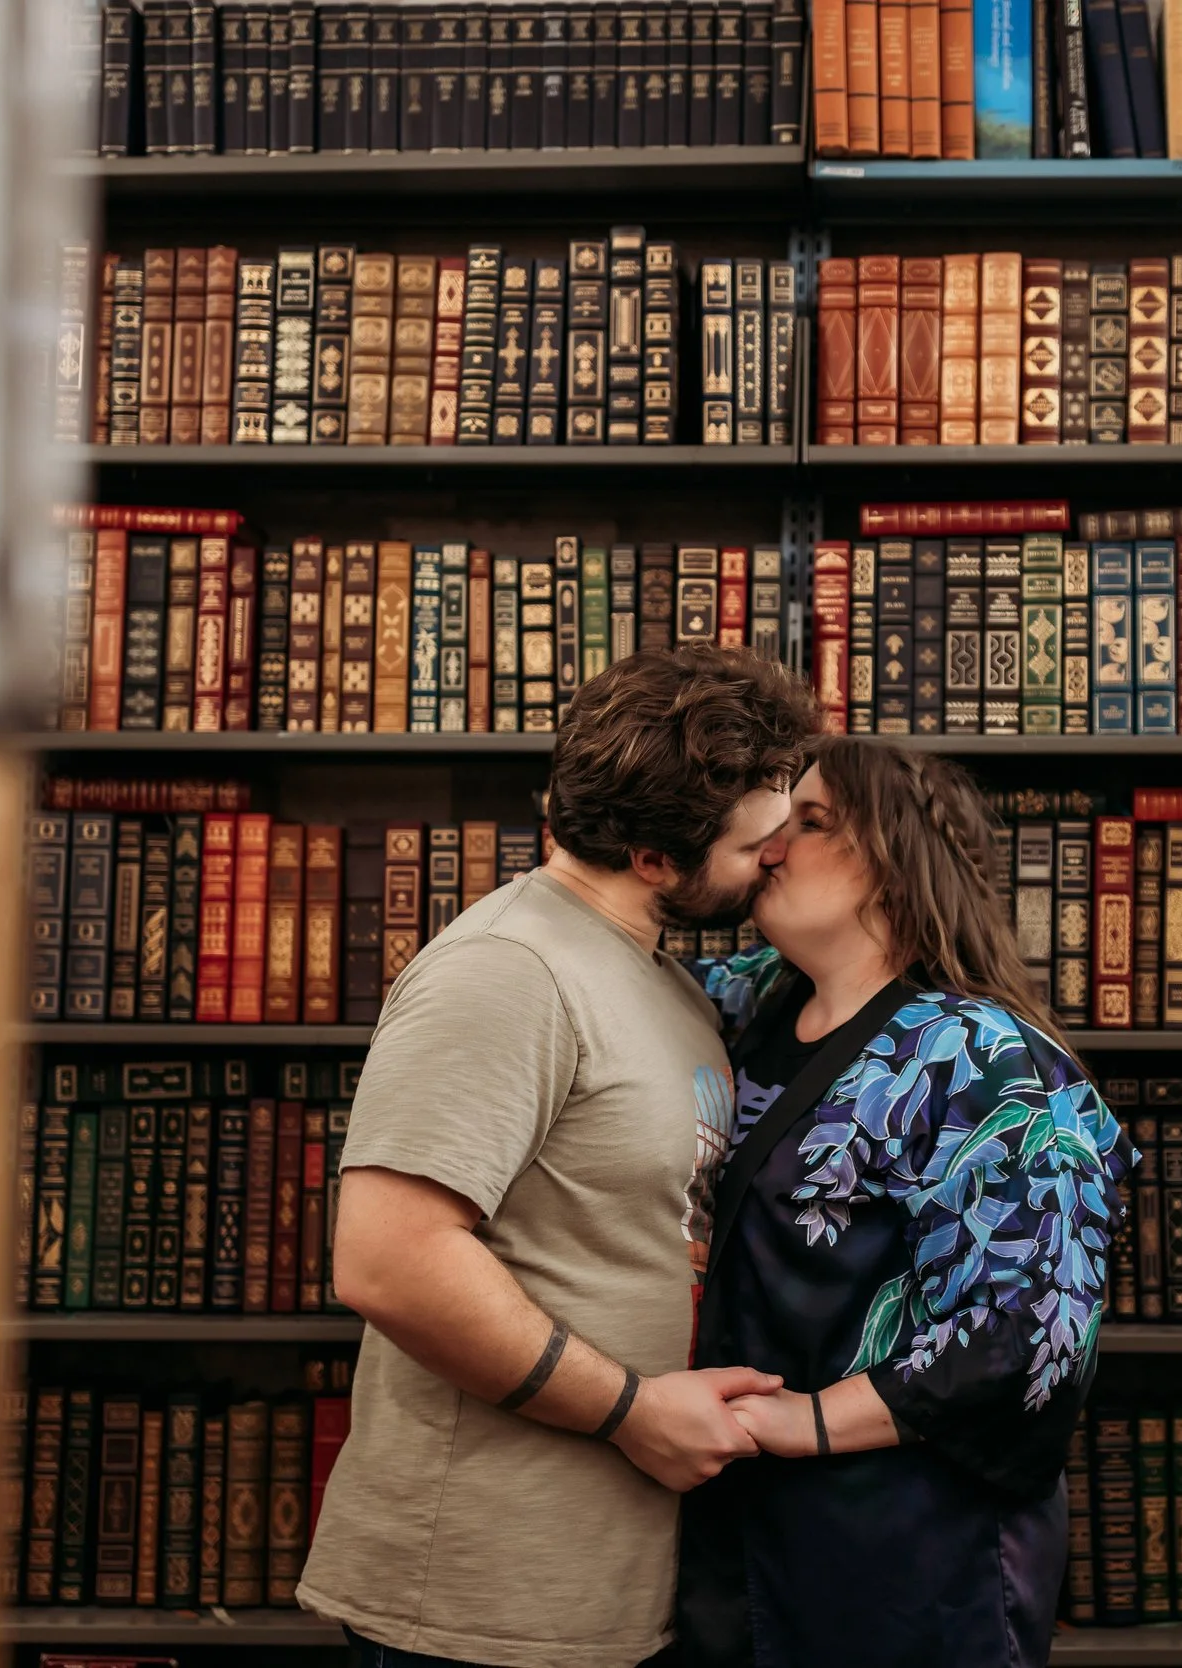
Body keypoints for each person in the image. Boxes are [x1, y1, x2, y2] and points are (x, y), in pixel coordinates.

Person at [300, 645, 819, 1668]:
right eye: (755, 843)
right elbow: (387, 1260)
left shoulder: (656, 974)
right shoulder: (509, 971)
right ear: (655, 859)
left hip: (601, 1586)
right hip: (479, 1600)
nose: (776, 858)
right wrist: (631, 1411)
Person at [677, 736, 1134, 1668]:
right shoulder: (750, 1005)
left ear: (893, 860)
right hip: (741, 1542)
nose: (772, 846)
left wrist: (801, 1421)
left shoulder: (983, 1058)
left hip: (909, 1557)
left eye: (812, 823)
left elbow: (1030, 1329)